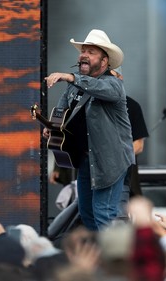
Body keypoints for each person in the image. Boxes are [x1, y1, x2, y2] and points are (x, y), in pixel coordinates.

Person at [43, 29, 135, 231]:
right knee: (87, 214)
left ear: (104, 62)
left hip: (110, 162)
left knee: (104, 214)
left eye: (91, 52)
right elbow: (62, 109)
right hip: (87, 160)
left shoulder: (113, 83)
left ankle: (112, 260)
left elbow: (99, 89)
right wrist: (53, 127)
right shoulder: (74, 85)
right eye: (83, 50)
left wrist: (71, 77)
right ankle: (99, 259)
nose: (84, 54)